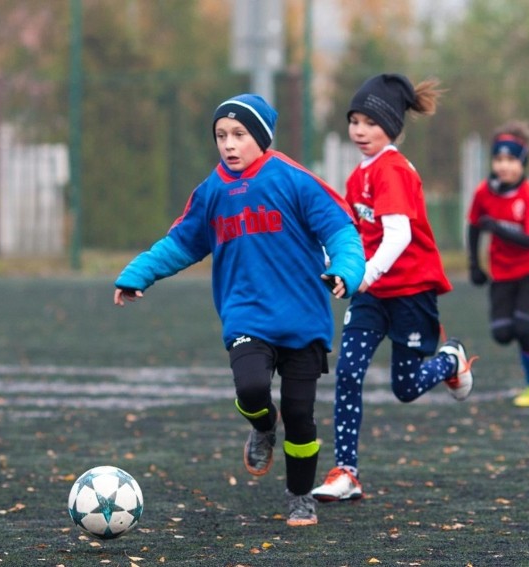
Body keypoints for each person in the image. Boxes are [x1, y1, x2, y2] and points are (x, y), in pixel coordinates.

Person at [113, 93, 365, 527]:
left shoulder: (295, 180)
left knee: (302, 417)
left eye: (239, 135)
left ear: (262, 138)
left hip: (304, 319)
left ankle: (300, 496)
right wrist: (138, 272)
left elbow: (342, 231)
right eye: (221, 135)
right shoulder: (212, 192)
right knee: (250, 389)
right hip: (246, 316)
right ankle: (263, 426)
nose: (228, 144)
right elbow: (180, 243)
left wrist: (346, 270)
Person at [311, 73, 476, 503]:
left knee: (405, 387)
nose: (360, 131)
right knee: (347, 372)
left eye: (370, 122)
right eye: (354, 121)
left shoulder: (394, 171)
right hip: (372, 295)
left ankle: (450, 358)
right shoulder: (358, 175)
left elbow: (398, 235)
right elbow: (354, 235)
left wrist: (365, 274)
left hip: (410, 292)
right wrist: (335, 266)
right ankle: (346, 472)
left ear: (392, 127)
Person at [467, 120, 529, 408]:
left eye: (511, 159)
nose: (504, 166)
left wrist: (496, 227)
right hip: (503, 271)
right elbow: (474, 226)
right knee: (502, 334)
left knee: (523, 328)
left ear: (522, 163)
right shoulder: (484, 192)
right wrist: (475, 264)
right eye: (499, 159)